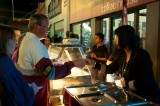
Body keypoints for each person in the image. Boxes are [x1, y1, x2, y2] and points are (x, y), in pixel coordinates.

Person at [15, 14, 89, 106]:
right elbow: (51, 73)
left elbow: (35, 63)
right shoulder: (36, 45)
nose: (48, 30)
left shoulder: (25, 38)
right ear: (36, 26)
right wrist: (73, 64)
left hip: (26, 88)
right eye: (46, 27)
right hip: (35, 92)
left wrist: (51, 63)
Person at [106, 25, 160, 104]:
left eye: (116, 37)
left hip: (147, 99)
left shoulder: (141, 55)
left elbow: (145, 82)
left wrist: (127, 84)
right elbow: (110, 69)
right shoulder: (122, 55)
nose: (114, 40)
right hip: (134, 97)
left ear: (124, 38)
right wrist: (94, 64)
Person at [0, 24, 35, 106]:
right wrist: (32, 90)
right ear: (6, 41)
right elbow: (22, 97)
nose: (15, 44)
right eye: (13, 40)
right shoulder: (5, 64)